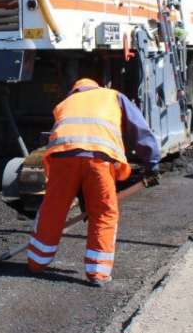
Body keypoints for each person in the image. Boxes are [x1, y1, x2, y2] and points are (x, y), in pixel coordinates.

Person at [26, 78, 162, 287]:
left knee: (53, 209)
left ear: (76, 90)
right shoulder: (114, 96)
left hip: (62, 160)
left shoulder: (65, 103)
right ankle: (98, 273)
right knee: (103, 212)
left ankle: (36, 262)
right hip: (99, 160)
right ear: (98, 87)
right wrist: (151, 163)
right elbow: (140, 131)